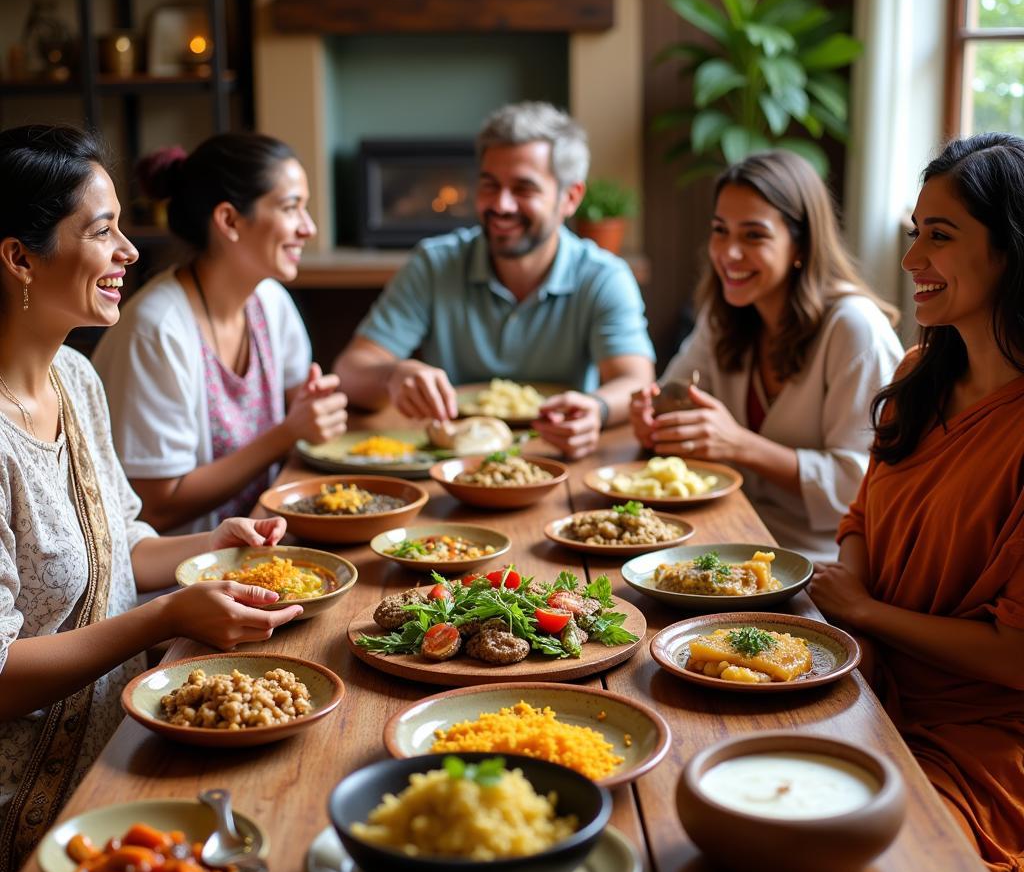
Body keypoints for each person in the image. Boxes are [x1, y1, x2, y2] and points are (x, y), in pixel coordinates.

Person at [0, 124, 305, 872]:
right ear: (18, 258)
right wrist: (166, 617)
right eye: (102, 232)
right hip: (23, 812)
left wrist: (218, 547)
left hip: (115, 762)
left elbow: (120, 540)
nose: (131, 252)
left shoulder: (76, 376)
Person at [810, 133, 1024, 872]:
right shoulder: (915, 373)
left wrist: (865, 612)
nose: (911, 262)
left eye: (941, 236)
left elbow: (1016, 657)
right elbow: (863, 512)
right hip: (863, 671)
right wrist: (856, 617)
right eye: (914, 233)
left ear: (1012, 249)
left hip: (979, 739)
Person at [332, 101, 656, 460]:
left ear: (570, 197)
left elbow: (636, 382)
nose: (501, 205)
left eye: (523, 189)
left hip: (558, 458)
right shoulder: (434, 264)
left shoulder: (603, 276)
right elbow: (349, 371)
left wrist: (597, 408)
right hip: (453, 461)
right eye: (489, 185)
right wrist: (391, 376)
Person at [629, 150, 903, 560]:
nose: (728, 253)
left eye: (753, 235)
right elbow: (674, 396)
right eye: (720, 230)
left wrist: (740, 445)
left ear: (801, 244)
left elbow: (861, 487)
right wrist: (653, 418)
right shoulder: (725, 315)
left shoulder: (854, 328)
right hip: (728, 532)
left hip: (824, 558)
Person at [92, 133, 348, 534]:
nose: (308, 228)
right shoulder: (156, 331)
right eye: (290, 208)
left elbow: (301, 405)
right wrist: (287, 433)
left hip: (262, 546)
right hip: (180, 579)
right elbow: (158, 507)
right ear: (229, 220)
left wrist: (315, 411)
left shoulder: (270, 302)